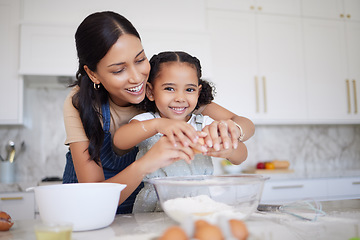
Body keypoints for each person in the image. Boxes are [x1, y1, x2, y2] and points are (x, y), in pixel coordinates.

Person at [62, 11, 255, 214]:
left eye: (139, 59)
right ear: (93, 73)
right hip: (90, 208)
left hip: (145, 210)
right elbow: (95, 198)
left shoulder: (168, 94)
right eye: (119, 70)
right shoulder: (80, 102)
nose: (137, 78)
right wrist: (148, 156)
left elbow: (243, 124)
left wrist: (232, 132)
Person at [113, 51, 248, 212]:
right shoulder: (147, 121)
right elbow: (120, 140)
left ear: (198, 92)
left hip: (199, 203)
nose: (180, 98)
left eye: (189, 90)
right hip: (154, 206)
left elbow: (241, 156)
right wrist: (158, 125)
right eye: (170, 88)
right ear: (150, 91)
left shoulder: (204, 124)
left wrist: (229, 149)